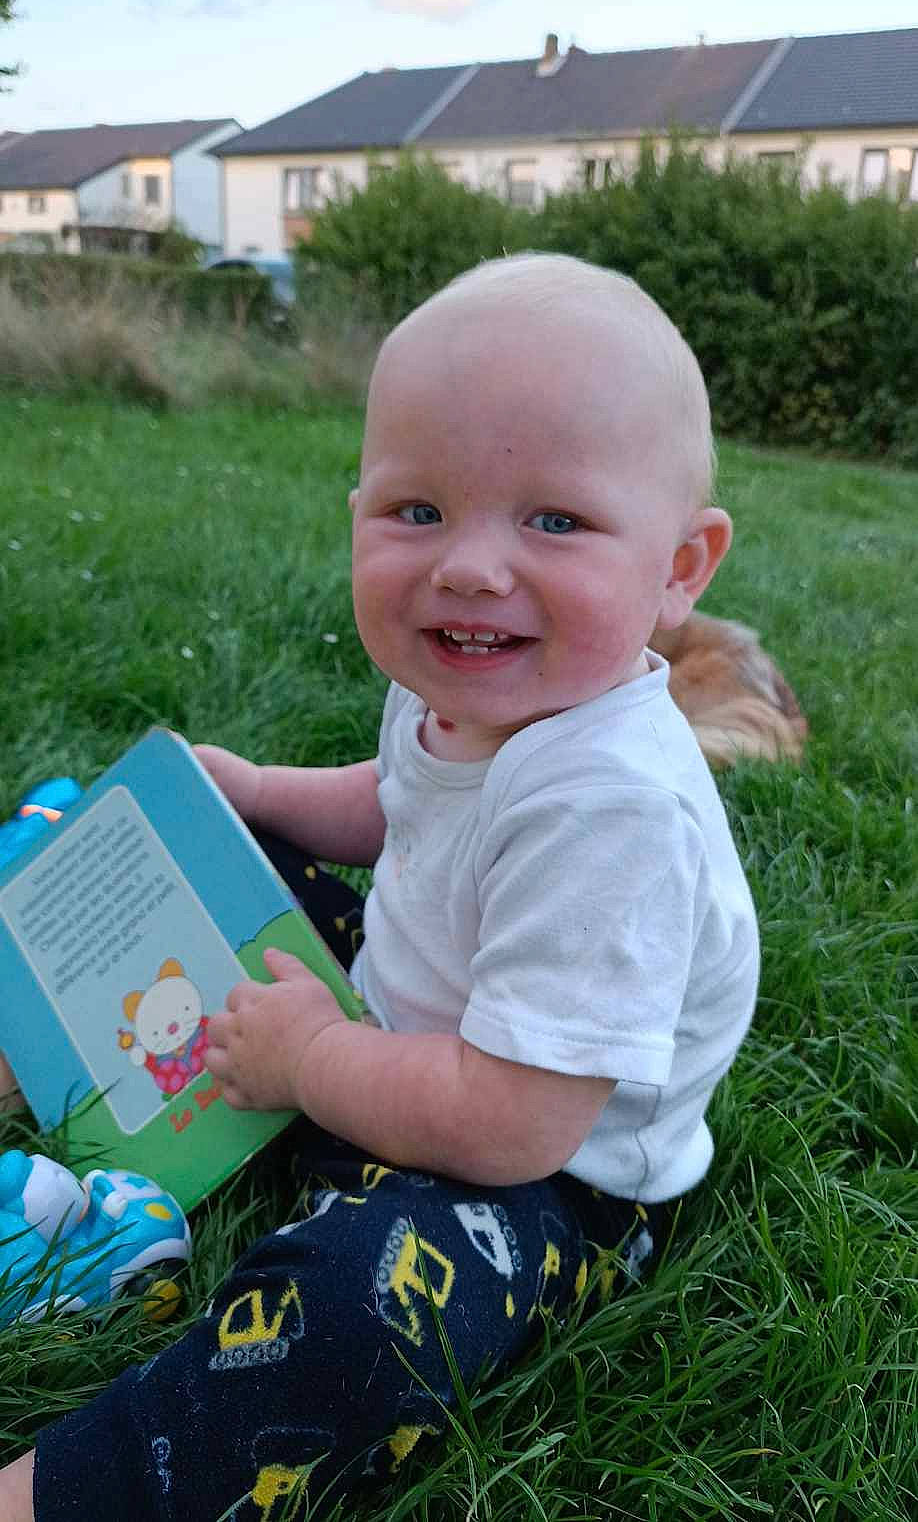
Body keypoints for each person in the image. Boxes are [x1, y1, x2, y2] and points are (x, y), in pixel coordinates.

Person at [0, 253, 759, 1522]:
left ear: (682, 565)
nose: (469, 566)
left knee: (359, 1305)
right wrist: (256, 792)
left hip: (546, 1188)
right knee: (223, 867)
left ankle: (76, 1489)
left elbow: (517, 1121)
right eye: (418, 511)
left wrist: (312, 1062)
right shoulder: (475, 687)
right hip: (410, 1036)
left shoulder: (612, 808)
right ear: (357, 506)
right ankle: (50, 1064)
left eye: (554, 521)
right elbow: (395, 801)